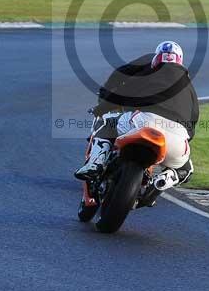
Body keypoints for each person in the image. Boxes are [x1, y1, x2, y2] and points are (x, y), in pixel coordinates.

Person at [74, 41, 199, 191]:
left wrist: (101, 108)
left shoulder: (148, 73)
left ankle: (96, 162)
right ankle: (166, 179)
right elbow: (193, 123)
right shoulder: (190, 87)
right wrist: (183, 138)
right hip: (178, 139)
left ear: (156, 59)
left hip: (145, 121)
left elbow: (120, 94)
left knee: (107, 123)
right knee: (186, 168)